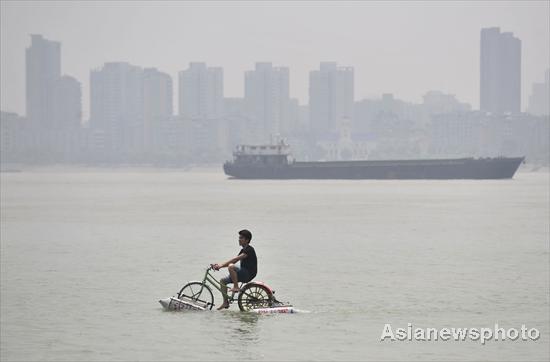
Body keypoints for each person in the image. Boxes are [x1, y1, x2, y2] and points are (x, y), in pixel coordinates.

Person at [212, 229, 257, 310]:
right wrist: (219, 266)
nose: (239, 239)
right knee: (223, 281)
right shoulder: (242, 250)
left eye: (241, 238)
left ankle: (236, 287)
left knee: (231, 266)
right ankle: (225, 302)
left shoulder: (249, 249)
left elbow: (234, 261)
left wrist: (220, 265)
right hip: (242, 272)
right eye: (239, 237)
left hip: (248, 273)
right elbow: (234, 260)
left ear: (247, 240)